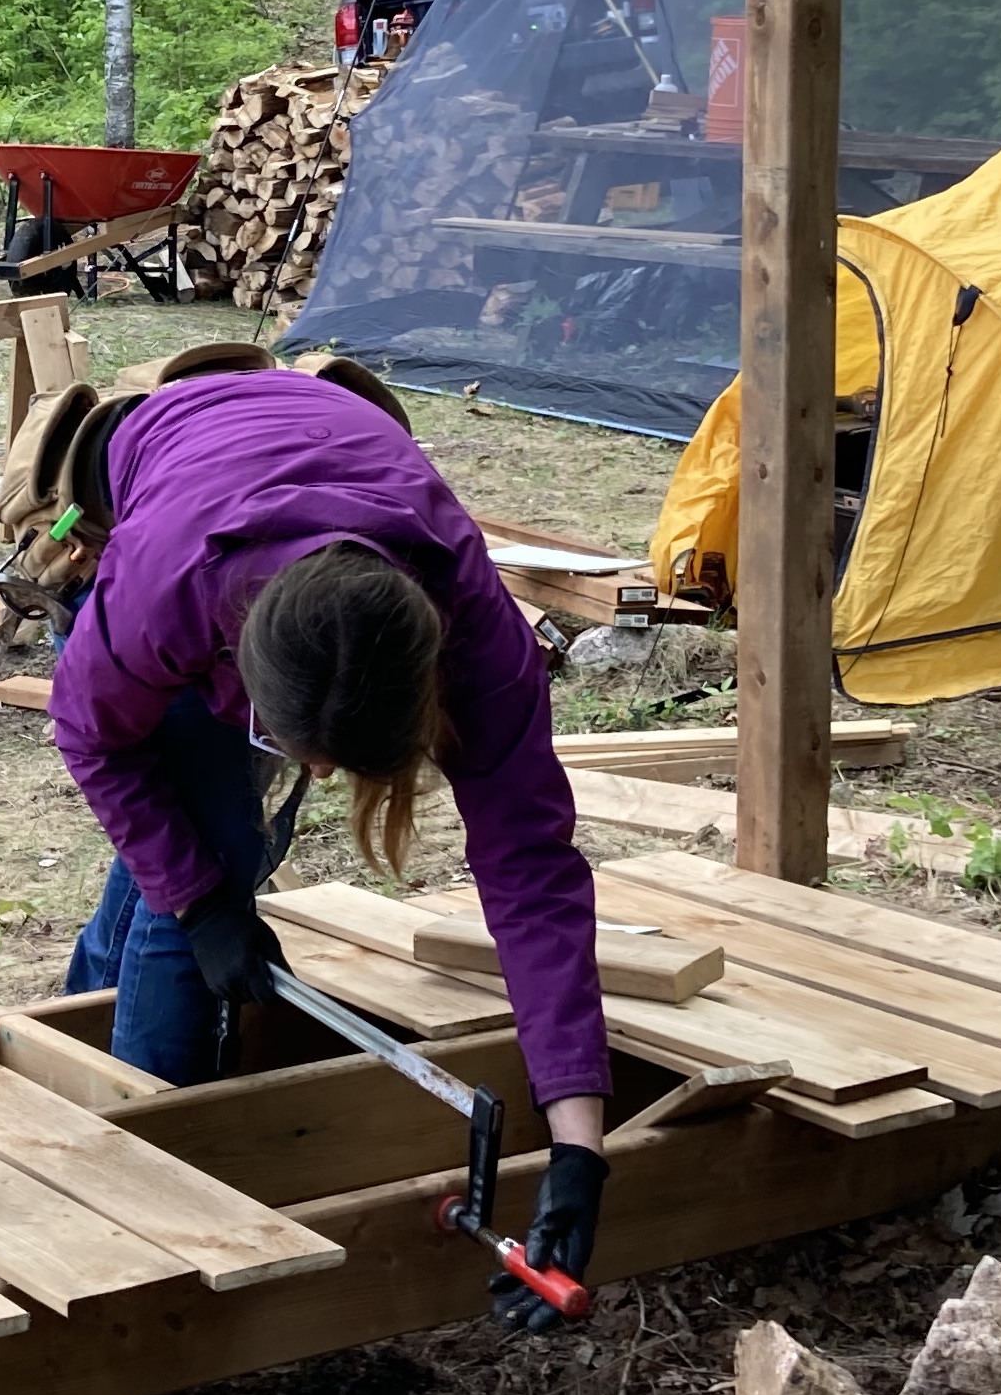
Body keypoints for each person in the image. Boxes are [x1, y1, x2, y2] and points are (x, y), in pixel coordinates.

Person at [41, 356, 608, 1324]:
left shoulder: (482, 638)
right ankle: (141, 1206)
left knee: (200, 851)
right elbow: (92, 734)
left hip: (313, 465)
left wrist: (580, 1147)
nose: (322, 783)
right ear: (237, 670)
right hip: (166, 468)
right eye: (300, 752)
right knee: (214, 843)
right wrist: (201, 900)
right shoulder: (163, 591)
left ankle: (83, 1042)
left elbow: (532, 871)